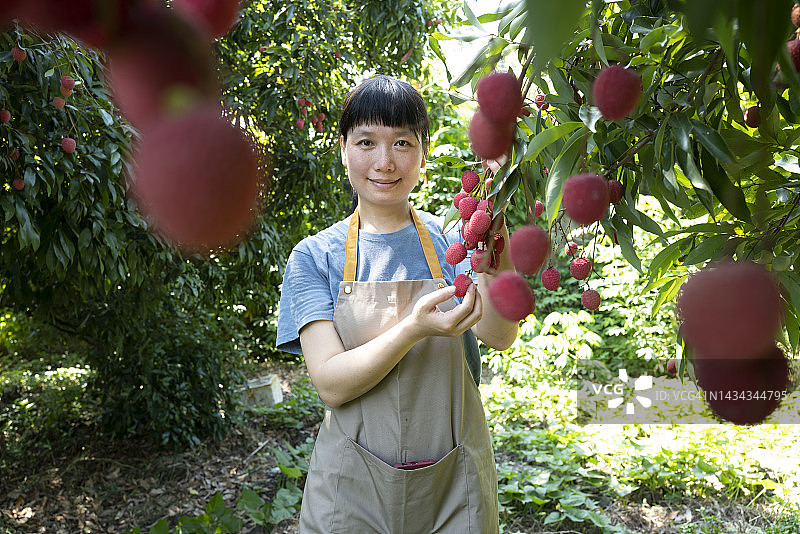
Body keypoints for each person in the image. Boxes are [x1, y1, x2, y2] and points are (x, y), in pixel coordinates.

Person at [276, 74, 519, 533]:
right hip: (349, 489)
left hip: (456, 485)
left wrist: (492, 242)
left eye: (402, 143)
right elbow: (330, 384)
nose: (385, 162)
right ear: (344, 148)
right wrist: (412, 329)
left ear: (423, 153)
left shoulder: (454, 241)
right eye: (367, 141)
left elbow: (500, 336)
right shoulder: (315, 257)